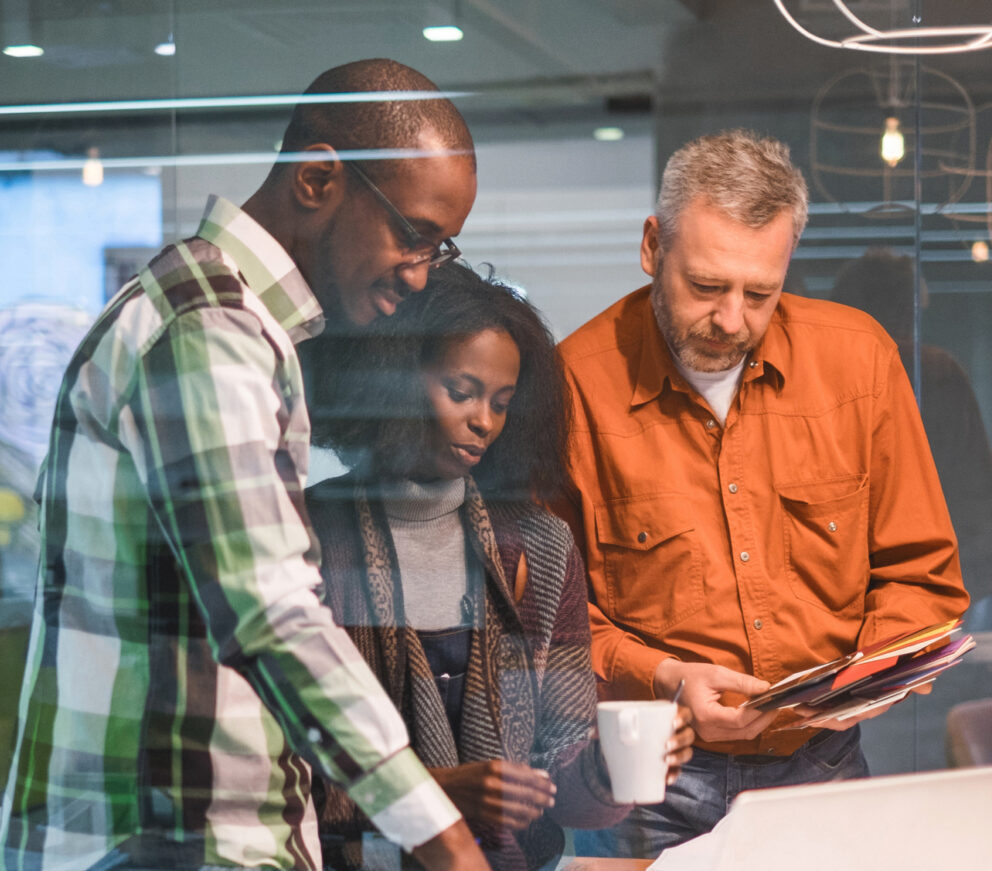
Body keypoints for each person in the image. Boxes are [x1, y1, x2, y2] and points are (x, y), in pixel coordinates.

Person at [0, 59, 493, 871]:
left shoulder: (229, 323)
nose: (421, 271)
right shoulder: (210, 330)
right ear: (317, 178)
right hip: (168, 846)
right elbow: (269, 609)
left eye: (441, 246)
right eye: (414, 234)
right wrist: (442, 835)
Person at [556, 129, 970, 857]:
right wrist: (666, 678)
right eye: (707, 286)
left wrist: (860, 678)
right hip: (650, 778)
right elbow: (548, 625)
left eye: (761, 293)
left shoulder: (859, 360)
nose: (732, 321)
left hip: (825, 765)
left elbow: (923, 576)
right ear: (654, 246)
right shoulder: (573, 385)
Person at [302, 263, 695, 871]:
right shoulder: (312, 535)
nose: (483, 420)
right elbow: (285, 775)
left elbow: (558, 774)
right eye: (460, 392)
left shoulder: (537, 545)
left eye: (502, 403)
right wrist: (435, 791)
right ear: (396, 380)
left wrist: (608, 771)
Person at [830, 248, 992, 627]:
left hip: (883, 575)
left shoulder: (931, 370)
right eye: (914, 310)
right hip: (929, 571)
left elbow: (974, 489)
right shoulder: (934, 370)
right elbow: (975, 485)